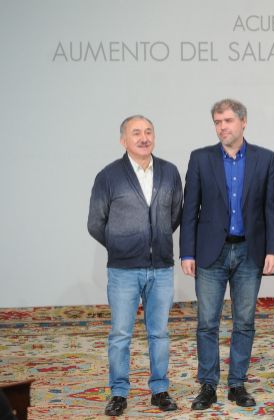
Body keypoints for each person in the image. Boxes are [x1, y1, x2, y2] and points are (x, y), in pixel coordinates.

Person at [180, 99, 274, 409]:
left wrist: (273, 249)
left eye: (227, 121)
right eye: (217, 122)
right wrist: (186, 253)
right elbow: (190, 209)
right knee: (207, 323)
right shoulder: (200, 158)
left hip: (250, 252)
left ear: (243, 122)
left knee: (245, 322)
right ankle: (208, 385)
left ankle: (237, 384)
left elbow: (271, 208)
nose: (222, 127)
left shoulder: (265, 159)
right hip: (211, 252)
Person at [87, 115, 182, 416]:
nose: (144, 138)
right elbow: (95, 222)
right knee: (120, 335)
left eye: (148, 132)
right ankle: (119, 393)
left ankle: (160, 390)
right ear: (123, 140)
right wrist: (122, 245)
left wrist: (157, 240)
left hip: (161, 268)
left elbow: (175, 215)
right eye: (136, 133)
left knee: (160, 333)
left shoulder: (169, 172)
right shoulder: (108, 176)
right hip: (123, 271)